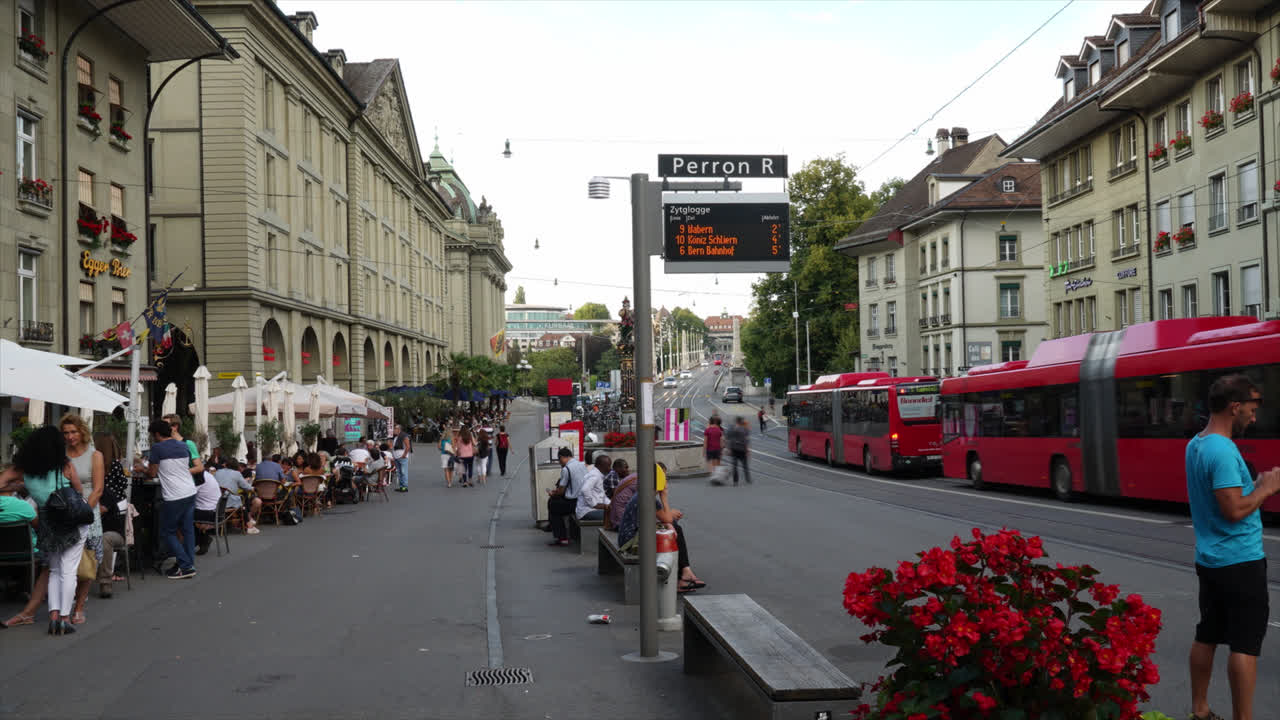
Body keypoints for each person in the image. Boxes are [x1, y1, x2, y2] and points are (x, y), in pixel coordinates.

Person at [1185, 374, 1280, 720]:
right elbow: (1233, 509)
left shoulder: (1196, 444)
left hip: (1210, 558)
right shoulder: (1222, 450)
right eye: (1251, 410)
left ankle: (1200, 708)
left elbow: (1224, 498)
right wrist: (1268, 488)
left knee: (1207, 633)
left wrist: (1253, 485)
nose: (1254, 418)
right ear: (1235, 407)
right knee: (1245, 644)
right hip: (1238, 560)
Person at [14, 426, 87, 635]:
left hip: (46, 521)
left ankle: (54, 616)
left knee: (54, 569)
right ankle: (65, 617)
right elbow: (79, 491)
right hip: (70, 521)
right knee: (69, 569)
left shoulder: (27, 471)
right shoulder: (64, 466)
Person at [142, 419, 202, 580]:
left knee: (167, 532)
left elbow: (152, 473)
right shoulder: (183, 445)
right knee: (187, 530)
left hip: (174, 495)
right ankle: (189, 563)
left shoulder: (157, 448)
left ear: (156, 434)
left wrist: (141, 468)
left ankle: (185, 565)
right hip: (190, 490)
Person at [60, 413, 103, 626]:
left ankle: (79, 606)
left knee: (87, 559)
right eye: (66, 432)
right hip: (65, 512)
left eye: (73, 431)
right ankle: (65, 605)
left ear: (82, 432)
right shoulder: (61, 455)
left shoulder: (95, 455)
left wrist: (84, 511)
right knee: (65, 561)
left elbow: (98, 488)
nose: (70, 436)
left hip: (88, 511)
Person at [93, 432, 130, 598]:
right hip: (117, 507)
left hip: (109, 524)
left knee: (104, 538)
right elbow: (123, 483)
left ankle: (105, 581)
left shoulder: (105, 493)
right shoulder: (116, 465)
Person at [546, 447, 586, 546]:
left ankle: (562, 537)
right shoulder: (582, 464)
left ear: (562, 457)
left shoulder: (566, 469)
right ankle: (553, 526)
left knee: (553, 505)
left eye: (560, 460)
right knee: (554, 503)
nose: (560, 463)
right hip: (584, 500)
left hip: (574, 503)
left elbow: (561, 491)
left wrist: (553, 493)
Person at [214, 461, 260, 534]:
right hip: (228, 501)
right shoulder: (237, 474)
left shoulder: (218, 472)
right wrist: (254, 488)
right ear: (237, 467)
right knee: (241, 501)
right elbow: (246, 486)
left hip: (216, 500)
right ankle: (249, 526)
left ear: (226, 465)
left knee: (239, 499)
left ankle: (245, 523)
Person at [192, 468, 222, 555]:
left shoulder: (199, 477)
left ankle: (196, 541)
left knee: (183, 515)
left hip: (209, 512)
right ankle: (202, 539)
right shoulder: (207, 475)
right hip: (216, 510)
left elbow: (189, 493)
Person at [576, 454, 611, 523]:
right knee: (614, 516)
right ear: (601, 466)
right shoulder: (595, 475)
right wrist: (594, 504)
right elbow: (585, 489)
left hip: (591, 509)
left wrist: (611, 504)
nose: (610, 468)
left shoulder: (598, 475)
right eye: (608, 466)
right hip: (587, 511)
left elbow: (602, 495)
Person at [726, 416, 751, 485]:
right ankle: (747, 478)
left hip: (733, 448)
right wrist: (747, 450)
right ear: (741, 422)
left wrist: (728, 448)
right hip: (742, 449)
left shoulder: (731, 428)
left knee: (734, 465)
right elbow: (746, 440)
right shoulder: (744, 429)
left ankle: (735, 481)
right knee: (745, 465)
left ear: (736, 421)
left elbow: (727, 438)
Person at [392, 423, 412, 492]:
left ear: (399, 429)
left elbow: (408, 446)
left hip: (402, 457)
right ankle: (401, 486)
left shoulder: (404, 436)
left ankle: (405, 486)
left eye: (395, 429)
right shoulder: (396, 437)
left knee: (403, 472)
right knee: (399, 472)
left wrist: (404, 455)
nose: (394, 430)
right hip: (397, 457)